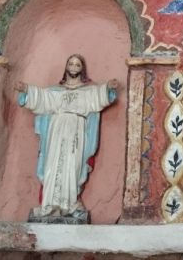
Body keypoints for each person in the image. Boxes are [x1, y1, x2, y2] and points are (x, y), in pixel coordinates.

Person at [15, 53, 120, 221]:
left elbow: (98, 97)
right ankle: (49, 204)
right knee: (53, 163)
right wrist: (26, 90)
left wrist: (108, 87)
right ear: (66, 67)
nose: (73, 67)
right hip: (56, 131)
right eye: (71, 64)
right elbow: (42, 99)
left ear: (82, 69)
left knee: (73, 165)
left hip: (76, 132)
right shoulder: (56, 92)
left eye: (77, 65)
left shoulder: (87, 92)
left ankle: (69, 203)